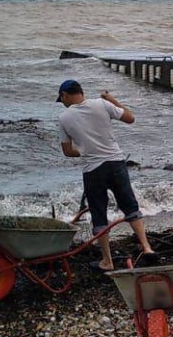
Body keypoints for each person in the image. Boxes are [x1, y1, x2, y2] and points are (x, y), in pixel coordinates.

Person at [56, 79, 156, 271]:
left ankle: (107, 261)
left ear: (64, 95)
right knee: (130, 206)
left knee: (99, 214)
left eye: (62, 100)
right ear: (81, 92)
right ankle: (147, 247)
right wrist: (113, 99)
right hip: (116, 163)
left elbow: (67, 151)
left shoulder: (64, 118)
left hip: (93, 170)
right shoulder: (102, 104)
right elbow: (130, 118)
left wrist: (85, 151)